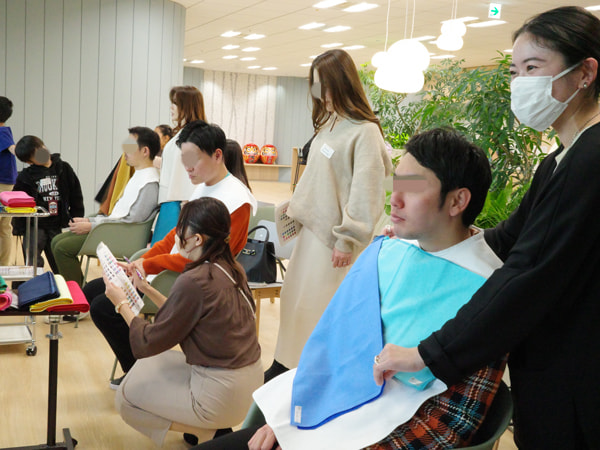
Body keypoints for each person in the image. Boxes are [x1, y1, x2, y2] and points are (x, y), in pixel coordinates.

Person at [371, 7, 600, 449]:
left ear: (585, 73)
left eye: (533, 68)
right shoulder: (559, 158)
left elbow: (527, 272)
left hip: (576, 369)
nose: (521, 83)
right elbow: (510, 238)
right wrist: (427, 240)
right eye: (515, 71)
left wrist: (427, 354)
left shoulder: (590, 158)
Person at [196, 128, 505, 450]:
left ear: (457, 201)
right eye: (397, 183)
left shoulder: (488, 292)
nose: (394, 199)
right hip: (325, 412)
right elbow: (333, 343)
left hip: (388, 431)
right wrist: (293, 415)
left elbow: (451, 423)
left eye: (413, 188)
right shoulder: (388, 251)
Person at [86, 121, 256, 389]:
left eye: (192, 159)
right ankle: (139, 369)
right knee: (94, 289)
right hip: (172, 272)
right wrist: (141, 262)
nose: (187, 167)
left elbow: (207, 259)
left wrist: (149, 265)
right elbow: (174, 237)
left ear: (217, 155)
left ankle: (137, 372)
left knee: (103, 307)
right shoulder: (202, 186)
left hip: (189, 281)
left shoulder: (237, 200)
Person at [265, 49, 394, 380]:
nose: (320, 95)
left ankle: (306, 373)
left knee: (316, 311)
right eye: (316, 86)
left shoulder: (365, 131)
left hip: (333, 243)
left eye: (324, 86)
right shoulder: (330, 123)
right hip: (311, 235)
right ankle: (286, 366)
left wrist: (347, 239)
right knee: (296, 304)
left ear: (342, 83)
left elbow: (367, 190)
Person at [104, 197, 262, 447]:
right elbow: (185, 313)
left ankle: (209, 433)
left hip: (221, 392)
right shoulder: (230, 268)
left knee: (126, 399)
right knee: (153, 365)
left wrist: (120, 302)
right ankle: (213, 430)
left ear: (197, 239)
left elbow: (147, 342)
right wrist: (147, 289)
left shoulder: (195, 280)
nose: (176, 237)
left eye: (180, 231)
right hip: (249, 382)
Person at [51, 126, 160, 285]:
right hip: (112, 230)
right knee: (56, 241)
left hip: (122, 236)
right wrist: (90, 221)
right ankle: (78, 289)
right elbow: (119, 215)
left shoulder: (149, 183)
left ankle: (77, 294)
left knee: (62, 248)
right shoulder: (139, 175)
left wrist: (91, 226)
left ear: (145, 151)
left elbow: (131, 222)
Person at [11, 136, 84, 272]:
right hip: (34, 225)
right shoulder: (25, 176)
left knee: (60, 261)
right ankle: (35, 283)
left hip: (56, 224)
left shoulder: (64, 168)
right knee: (32, 264)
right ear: (29, 161)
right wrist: (19, 228)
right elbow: (18, 202)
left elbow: (76, 195)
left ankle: (66, 283)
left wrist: (77, 218)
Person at [152, 86, 206, 244]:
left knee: (166, 253)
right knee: (160, 253)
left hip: (180, 205)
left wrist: (186, 207)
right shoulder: (183, 133)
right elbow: (175, 165)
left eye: (175, 103)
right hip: (171, 201)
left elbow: (191, 173)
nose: (171, 107)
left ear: (187, 106)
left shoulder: (194, 135)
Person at [0, 96, 17, 266]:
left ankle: (3, 266)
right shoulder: (4, 131)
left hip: (2, 183)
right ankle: (3, 266)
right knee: (5, 227)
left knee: (4, 226)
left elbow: (12, 148)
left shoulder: (2, 132)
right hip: (6, 181)